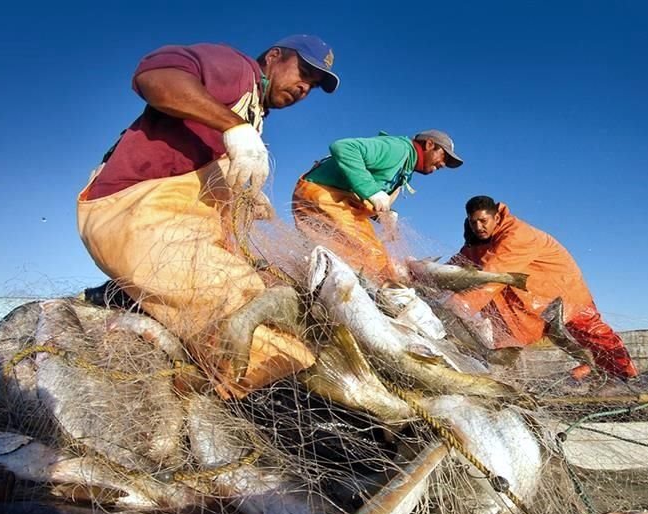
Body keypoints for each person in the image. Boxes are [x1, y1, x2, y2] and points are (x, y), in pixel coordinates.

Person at [77, 35, 340, 399]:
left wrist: (243, 194)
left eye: (312, 85)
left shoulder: (254, 114)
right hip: (137, 212)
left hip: (179, 224)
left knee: (274, 302)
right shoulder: (237, 69)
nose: (304, 87)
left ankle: (130, 301)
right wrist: (233, 126)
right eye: (305, 72)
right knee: (266, 339)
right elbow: (154, 77)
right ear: (275, 56)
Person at [445, 196, 638, 380]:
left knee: (591, 332)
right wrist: (418, 272)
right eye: (473, 223)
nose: (478, 227)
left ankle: (624, 376)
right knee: (516, 344)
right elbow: (456, 267)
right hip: (531, 304)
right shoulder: (479, 241)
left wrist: (458, 307)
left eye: (482, 221)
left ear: (496, 217)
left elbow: (493, 274)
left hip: (563, 291)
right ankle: (591, 370)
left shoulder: (516, 235)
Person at [292, 130, 463, 282]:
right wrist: (372, 191)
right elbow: (343, 147)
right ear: (429, 144)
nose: (443, 165)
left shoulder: (406, 169)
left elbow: (369, 196)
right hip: (321, 193)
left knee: (380, 262)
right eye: (444, 157)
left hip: (344, 204)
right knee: (371, 258)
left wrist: (384, 216)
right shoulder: (397, 149)